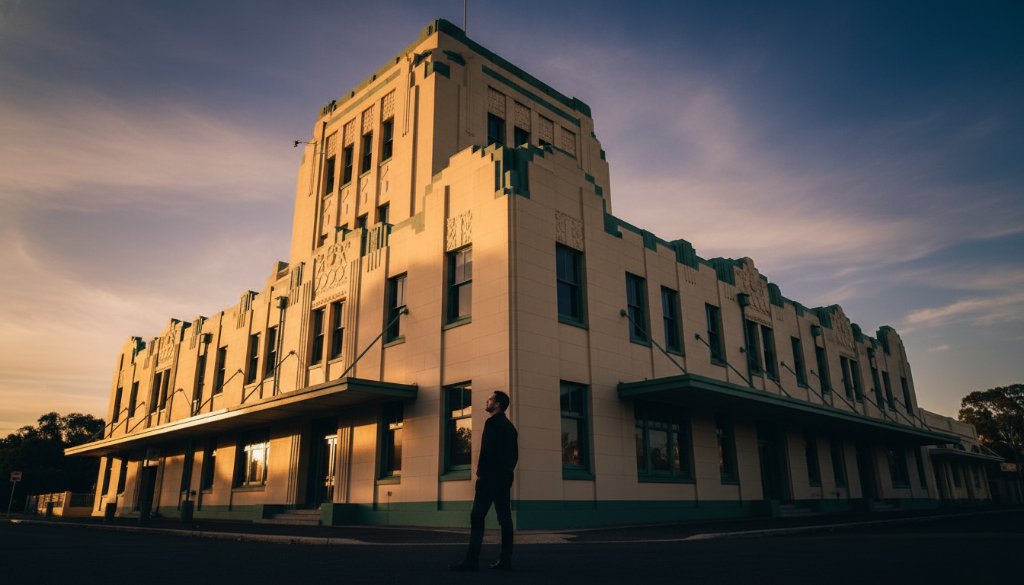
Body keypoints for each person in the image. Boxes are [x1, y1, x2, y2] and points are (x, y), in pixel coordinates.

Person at [450, 390, 519, 572]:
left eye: (490, 399)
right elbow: (514, 457)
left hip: (489, 480)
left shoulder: (492, 424)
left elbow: (486, 452)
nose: (486, 401)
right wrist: (506, 475)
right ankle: (505, 561)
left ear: (497, 404)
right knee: (505, 519)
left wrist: (481, 473)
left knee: (477, 517)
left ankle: (472, 561)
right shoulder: (511, 428)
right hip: (504, 481)